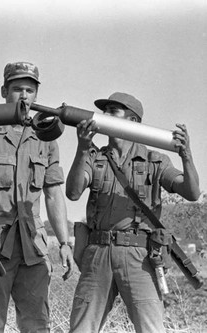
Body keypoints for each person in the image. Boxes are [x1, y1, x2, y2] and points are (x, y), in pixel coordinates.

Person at [66, 92, 201, 333]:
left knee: (150, 328)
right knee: (81, 328)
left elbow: (191, 193)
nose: (104, 116)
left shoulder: (154, 160)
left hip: (140, 257)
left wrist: (187, 156)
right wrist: (82, 149)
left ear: (132, 121)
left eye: (112, 111)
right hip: (98, 254)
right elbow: (73, 192)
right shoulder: (95, 157)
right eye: (104, 111)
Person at [0, 61, 75, 333]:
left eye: (30, 90)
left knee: (37, 325)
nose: (24, 96)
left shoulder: (46, 137)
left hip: (33, 249)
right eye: (17, 89)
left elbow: (53, 193)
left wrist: (63, 242)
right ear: (4, 91)